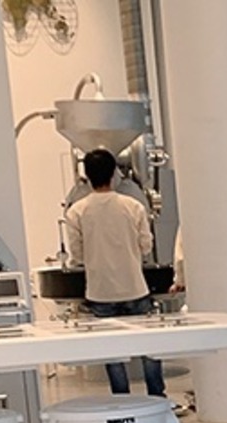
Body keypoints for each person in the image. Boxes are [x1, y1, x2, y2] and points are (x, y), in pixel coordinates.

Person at [64, 148, 166, 398]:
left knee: (112, 351)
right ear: (114, 173)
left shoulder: (76, 211)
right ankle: (157, 397)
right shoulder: (133, 206)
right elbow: (146, 246)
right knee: (148, 346)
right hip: (134, 287)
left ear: (87, 175)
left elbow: (76, 255)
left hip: (100, 292)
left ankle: (122, 399)